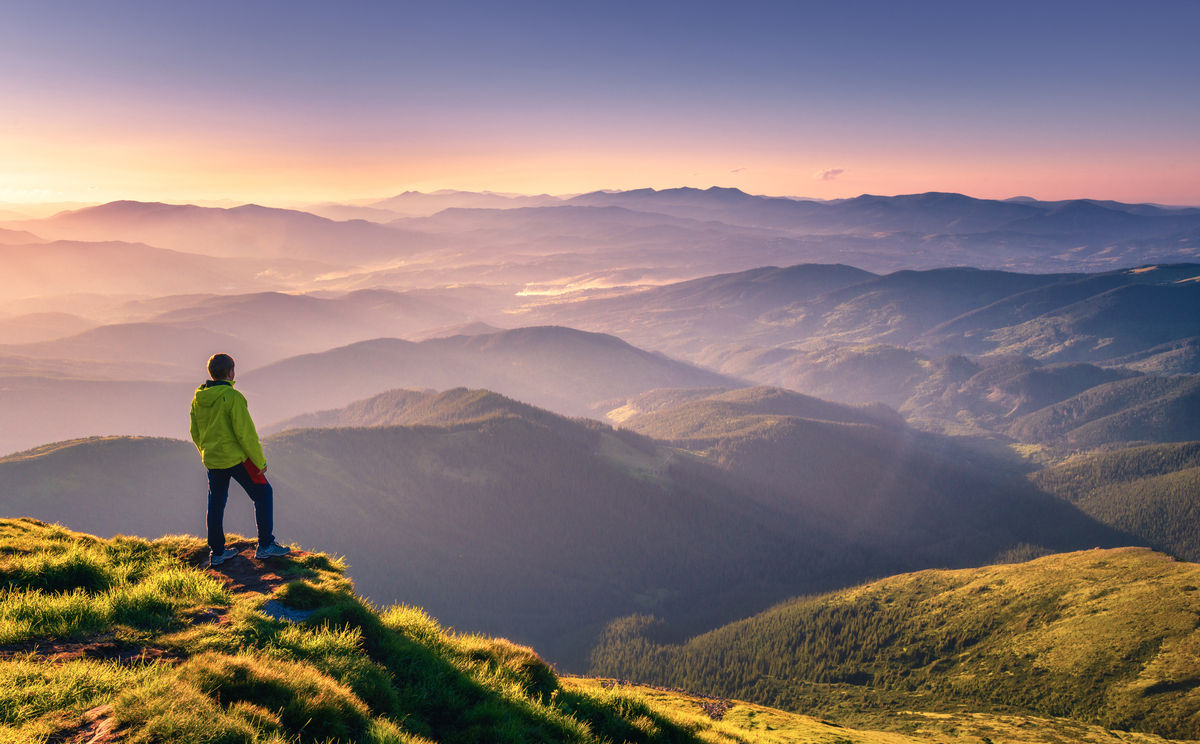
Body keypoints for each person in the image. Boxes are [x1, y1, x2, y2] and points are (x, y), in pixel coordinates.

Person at [189, 353, 290, 566]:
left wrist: (206, 453)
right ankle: (265, 546)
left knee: (216, 504)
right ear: (230, 372)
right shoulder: (232, 397)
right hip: (236, 458)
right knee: (263, 494)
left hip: (213, 460)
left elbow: (195, 432)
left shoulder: (198, 399)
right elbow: (246, 434)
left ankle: (217, 552)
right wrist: (260, 462)